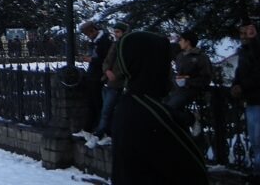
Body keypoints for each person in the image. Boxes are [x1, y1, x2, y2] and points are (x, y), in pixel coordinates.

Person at [111, 30, 207, 184]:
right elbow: (192, 172)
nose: (168, 69)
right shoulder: (149, 113)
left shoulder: (130, 103)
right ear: (153, 65)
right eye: (165, 62)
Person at [88, 22, 128, 148]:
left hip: (117, 82)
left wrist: (114, 73)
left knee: (107, 109)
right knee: (107, 110)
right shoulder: (115, 44)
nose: (116, 34)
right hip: (108, 80)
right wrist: (107, 70)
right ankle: (106, 133)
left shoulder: (126, 46)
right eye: (115, 31)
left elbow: (124, 64)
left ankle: (99, 134)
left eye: (118, 32)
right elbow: (107, 61)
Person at [232, 20, 260, 184]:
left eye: (247, 33)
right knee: (256, 141)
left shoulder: (255, 50)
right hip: (251, 100)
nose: (243, 37)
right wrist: (236, 85)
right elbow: (240, 72)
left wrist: (242, 86)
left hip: (256, 99)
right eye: (241, 33)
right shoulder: (243, 52)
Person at [76, 21, 112, 136]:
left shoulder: (104, 41)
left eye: (88, 34)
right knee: (91, 103)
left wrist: (91, 60)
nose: (88, 37)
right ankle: (88, 129)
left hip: (99, 77)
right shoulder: (95, 42)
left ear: (93, 31)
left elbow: (106, 60)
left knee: (98, 104)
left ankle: (99, 130)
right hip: (92, 76)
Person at [166, 30, 213, 113]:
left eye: (181, 40)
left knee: (171, 108)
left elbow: (206, 78)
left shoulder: (201, 57)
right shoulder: (180, 56)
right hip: (177, 88)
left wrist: (187, 81)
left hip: (192, 91)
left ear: (187, 42)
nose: (179, 42)